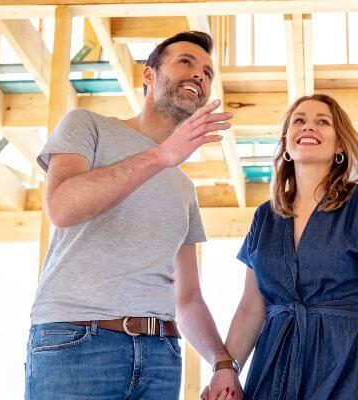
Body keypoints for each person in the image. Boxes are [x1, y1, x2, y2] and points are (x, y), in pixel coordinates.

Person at [26, 31, 242, 400]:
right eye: (185, 62)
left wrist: (222, 363)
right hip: (77, 343)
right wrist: (162, 156)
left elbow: (187, 298)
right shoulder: (87, 126)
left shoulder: (184, 189)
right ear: (149, 75)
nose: (199, 76)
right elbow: (62, 207)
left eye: (207, 73)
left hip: (160, 357)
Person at [222, 94, 358, 399]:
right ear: (286, 145)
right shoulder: (264, 217)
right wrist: (225, 371)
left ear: (340, 145)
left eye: (323, 121)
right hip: (272, 367)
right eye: (299, 120)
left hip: (344, 363)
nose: (309, 127)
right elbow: (250, 308)